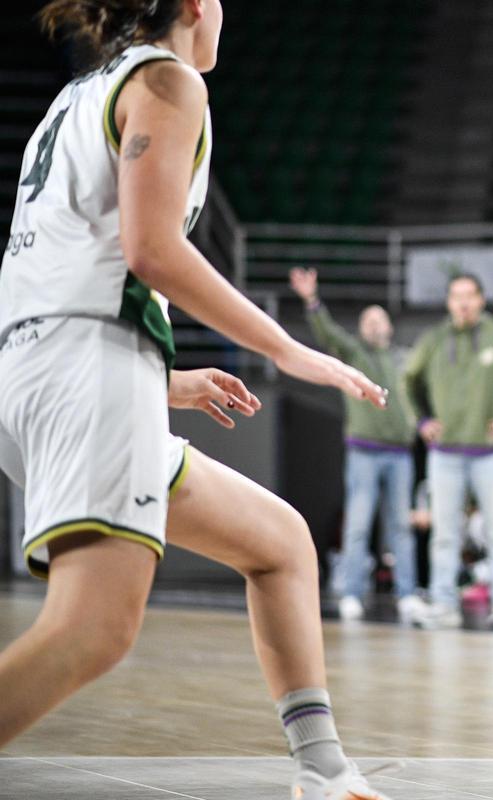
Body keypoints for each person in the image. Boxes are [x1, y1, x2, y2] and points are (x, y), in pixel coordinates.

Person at [0, 3, 395, 798]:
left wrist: (158, 378)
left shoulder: (77, 95)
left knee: (280, 542)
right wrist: (286, 347)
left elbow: (71, 264)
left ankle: (323, 772)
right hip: (85, 370)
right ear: (190, 5)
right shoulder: (168, 81)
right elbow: (153, 249)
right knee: (94, 630)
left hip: (39, 368)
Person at [402, 274, 493, 629]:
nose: (464, 303)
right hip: (445, 453)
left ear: (482, 300)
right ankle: (444, 606)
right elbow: (406, 380)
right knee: (445, 534)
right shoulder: (434, 340)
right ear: (448, 302)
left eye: (470, 296)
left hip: (492, 454)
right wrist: (422, 421)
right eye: (457, 296)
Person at [288, 267, 418, 622]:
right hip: (364, 450)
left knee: (401, 527)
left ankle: (407, 595)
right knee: (358, 524)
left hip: (400, 453)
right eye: (368, 321)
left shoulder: (404, 359)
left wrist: (422, 421)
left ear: (390, 327)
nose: (375, 325)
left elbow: (421, 397)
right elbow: (327, 333)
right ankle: (351, 593)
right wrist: (312, 301)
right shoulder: (354, 352)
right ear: (361, 329)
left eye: (381, 319)